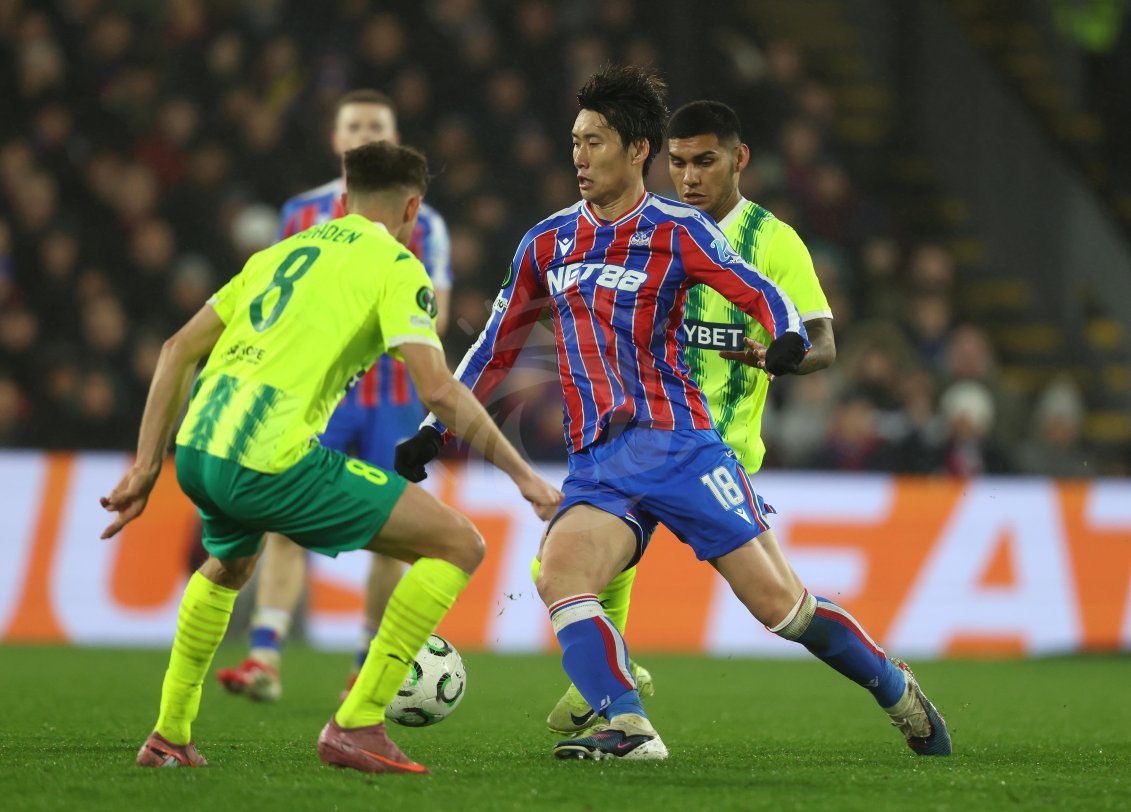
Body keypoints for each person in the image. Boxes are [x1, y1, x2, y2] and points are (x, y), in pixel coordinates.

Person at [396, 65, 950, 761]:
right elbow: (493, 347)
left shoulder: (676, 229)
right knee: (559, 574)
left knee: (783, 609)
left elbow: (758, 291)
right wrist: (434, 428)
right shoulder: (546, 242)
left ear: (637, 151)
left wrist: (785, 336)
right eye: (574, 142)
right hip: (599, 460)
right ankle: (629, 726)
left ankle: (894, 687)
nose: (579, 157)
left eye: (595, 142)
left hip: (679, 445)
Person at [101, 142, 561, 774]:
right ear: (413, 209)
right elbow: (436, 389)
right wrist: (524, 474)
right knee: (459, 544)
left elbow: (177, 348)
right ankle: (358, 723)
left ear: (343, 201)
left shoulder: (278, 253)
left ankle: (168, 736)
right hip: (268, 458)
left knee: (230, 565)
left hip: (199, 449)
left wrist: (146, 466)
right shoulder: (397, 266)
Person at [542, 99, 838, 734]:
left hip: (714, 445)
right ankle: (616, 696)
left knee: (780, 604)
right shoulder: (650, 231)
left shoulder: (772, 241)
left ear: (739, 159)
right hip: (642, 434)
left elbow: (823, 342)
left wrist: (783, 356)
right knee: (574, 565)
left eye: (704, 162)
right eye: (678, 163)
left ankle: (613, 690)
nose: (689, 177)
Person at [216, 89, 453, 702]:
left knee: (391, 534)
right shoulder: (300, 212)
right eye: (355, 125)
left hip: (393, 400)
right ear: (335, 138)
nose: (365, 134)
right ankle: (265, 656)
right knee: (284, 523)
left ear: (395, 140)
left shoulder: (424, 222)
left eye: (377, 125)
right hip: (320, 396)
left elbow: (438, 313)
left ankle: (363, 667)